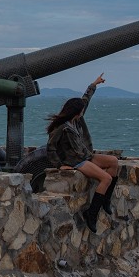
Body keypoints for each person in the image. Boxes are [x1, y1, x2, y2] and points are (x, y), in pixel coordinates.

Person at [45, 73, 120, 233]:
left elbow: (85, 100)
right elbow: (50, 148)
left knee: (113, 161)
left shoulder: (76, 120)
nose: (82, 113)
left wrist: (94, 83)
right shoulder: (61, 128)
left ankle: (105, 201)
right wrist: (59, 165)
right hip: (76, 161)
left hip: (87, 156)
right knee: (105, 178)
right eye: (80, 111)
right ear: (75, 112)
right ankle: (91, 214)